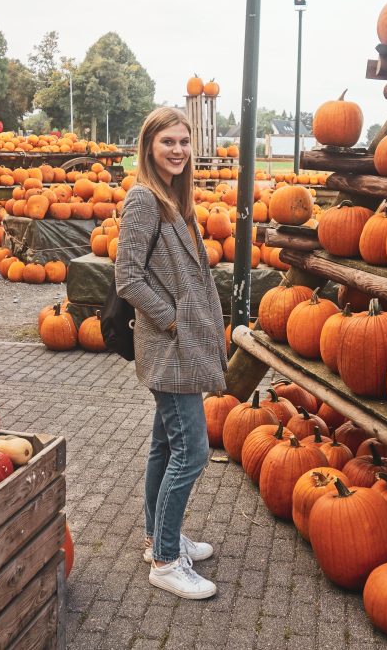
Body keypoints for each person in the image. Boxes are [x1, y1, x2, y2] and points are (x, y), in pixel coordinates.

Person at [115, 107, 228, 600]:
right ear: (149, 146)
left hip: (181, 344)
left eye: (184, 141)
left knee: (165, 446)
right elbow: (127, 277)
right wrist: (174, 319)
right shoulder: (143, 200)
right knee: (193, 451)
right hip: (169, 347)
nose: (178, 150)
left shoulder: (175, 200)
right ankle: (165, 560)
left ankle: (157, 537)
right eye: (168, 142)